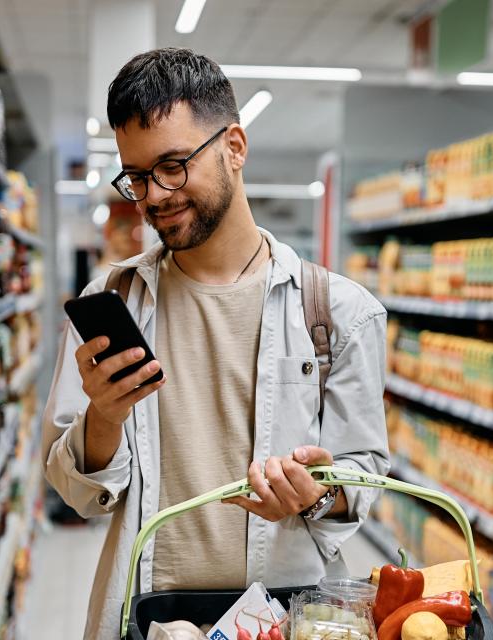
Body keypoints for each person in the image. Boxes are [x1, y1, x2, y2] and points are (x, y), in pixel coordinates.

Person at [42, 47, 389, 639]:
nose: (153, 196)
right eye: (137, 177)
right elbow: (79, 494)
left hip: (287, 617)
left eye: (173, 165)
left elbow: (364, 481)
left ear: (234, 147)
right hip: (146, 615)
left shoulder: (339, 312)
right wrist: (102, 416)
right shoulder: (113, 298)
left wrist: (316, 495)